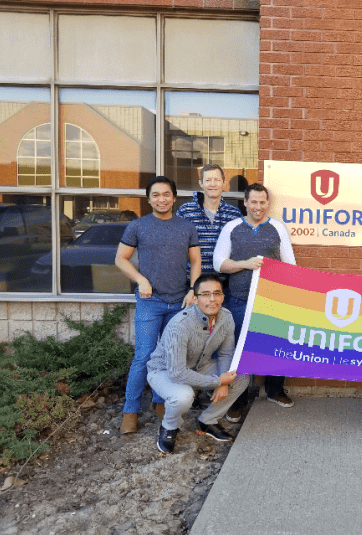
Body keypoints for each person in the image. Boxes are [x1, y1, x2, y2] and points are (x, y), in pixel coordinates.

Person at [115, 176, 202, 434]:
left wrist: (193, 291)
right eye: (156, 195)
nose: (161, 199)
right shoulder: (137, 226)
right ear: (148, 198)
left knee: (171, 356)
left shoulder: (186, 227)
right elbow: (121, 259)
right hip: (149, 302)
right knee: (143, 356)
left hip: (179, 302)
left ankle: (159, 401)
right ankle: (130, 411)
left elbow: (196, 262)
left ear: (174, 198)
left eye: (166, 194)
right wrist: (140, 279)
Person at [213, 182, 297, 416]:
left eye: (262, 202)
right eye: (254, 202)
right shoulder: (232, 227)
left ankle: (274, 390)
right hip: (239, 300)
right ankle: (238, 401)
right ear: (245, 203)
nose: (258, 207)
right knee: (239, 352)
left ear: (267, 203)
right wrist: (245, 264)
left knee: (274, 349)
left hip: (271, 302)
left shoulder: (278, 228)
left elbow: (291, 266)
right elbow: (218, 262)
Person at [146, 274, 251, 452]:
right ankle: (169, 427)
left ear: (223, 297)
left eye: (217, 293)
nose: (212, 299)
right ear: (195, 298)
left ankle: (207, 421)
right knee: (183, 396)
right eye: (205, 294)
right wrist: (218, 381)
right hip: (164, 370)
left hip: (199, 365)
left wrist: (224, 382)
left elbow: (226, 353)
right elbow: (177, 373)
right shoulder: (180, 324)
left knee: (241, 377)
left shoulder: (226, 317)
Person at [175, 163, 244, 291]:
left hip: (225, 287)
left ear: (223, 182)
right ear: (201, 183)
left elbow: (239, 251)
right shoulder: (186, 211)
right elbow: (176, 249)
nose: (213, 184)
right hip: (192, 285)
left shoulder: (234, 215)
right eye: (208, 180)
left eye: (217, 180)